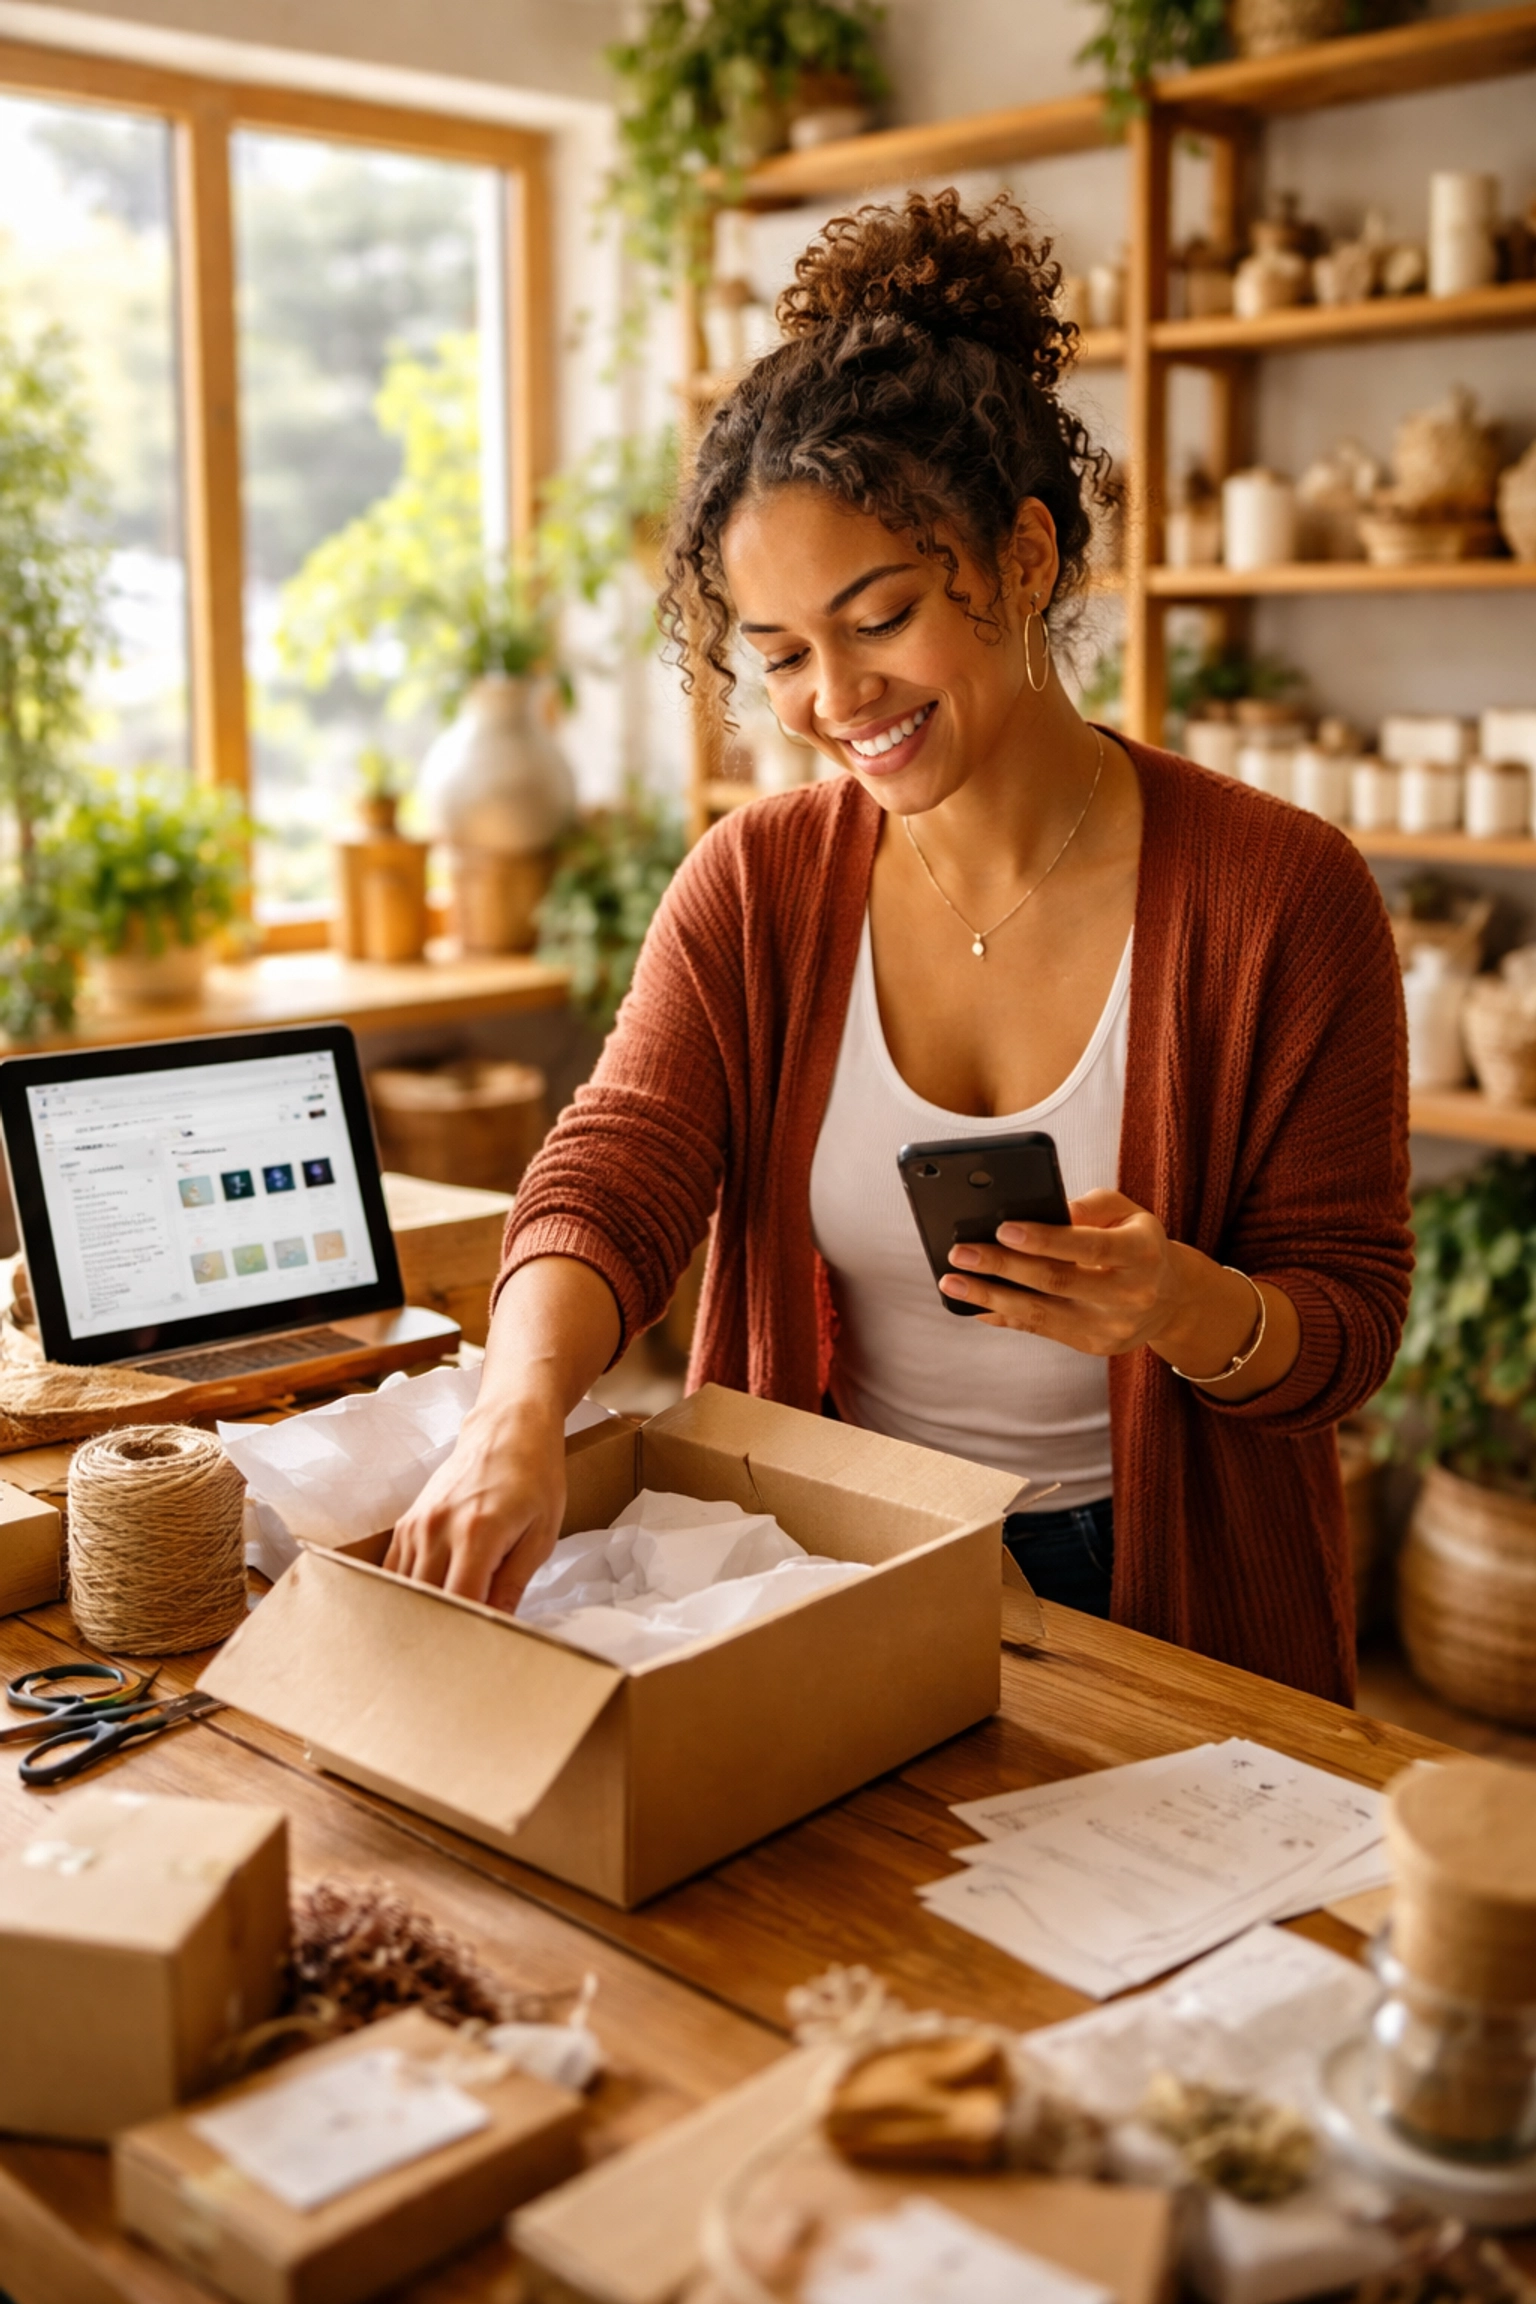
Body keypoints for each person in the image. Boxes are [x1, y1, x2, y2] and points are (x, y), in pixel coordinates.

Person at [388, 190, 1410, 1704]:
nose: (834, 700)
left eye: (879, 618)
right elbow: (619, 1163)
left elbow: (1352, 1319)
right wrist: (515, 1408)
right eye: (782, 654)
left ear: (1022, 559)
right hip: (828, 1559)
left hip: (1168, 1593)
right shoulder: (757, 886)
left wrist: (1188, 1307)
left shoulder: (1282, 896)